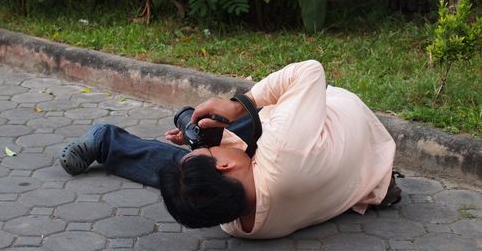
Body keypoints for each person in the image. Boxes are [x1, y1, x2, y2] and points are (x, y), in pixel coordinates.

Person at [60, 60, 401, 239]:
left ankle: (118, 140)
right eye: (211, 156)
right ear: (223, 167)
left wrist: (206, 146)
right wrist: (242, 105)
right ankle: (178, 126)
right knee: (206, 138)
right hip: (335, 115)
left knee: (189, 173)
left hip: (314, 158)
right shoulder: (281, 148)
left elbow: (229, 167)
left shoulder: (239, 228)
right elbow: (310, 71)